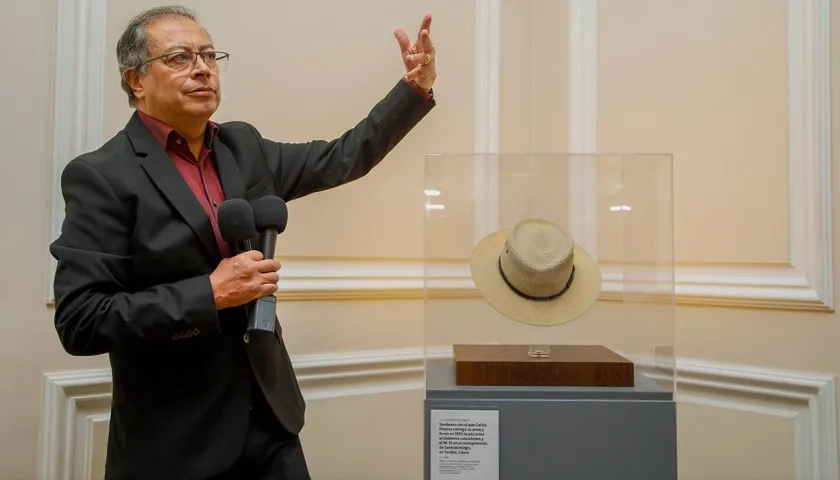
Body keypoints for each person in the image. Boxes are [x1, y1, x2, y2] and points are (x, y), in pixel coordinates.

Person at [49, 5, 436, 480]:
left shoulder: (242, 147)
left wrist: (413, 89)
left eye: (209, 55)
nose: (202, 68)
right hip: (177, 440)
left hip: (270, 422)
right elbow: (82, 320)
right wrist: (209, 293)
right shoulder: (103, 175)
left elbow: (343, 157)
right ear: (136, 81)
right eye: (179, 58)